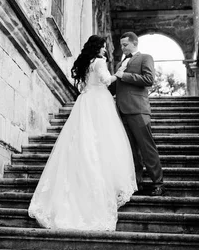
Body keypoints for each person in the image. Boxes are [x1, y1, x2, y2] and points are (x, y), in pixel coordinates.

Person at [28, 34, 137, 231]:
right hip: (99, 102)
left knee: (82, 141)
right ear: (98, 47)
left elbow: (86, 83)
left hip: (85, 101)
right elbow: (105, 80)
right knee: (102, 140)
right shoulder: (100, 61)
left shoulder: (85, 61)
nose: (105, 50)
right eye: (104, 46)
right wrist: (119, 72)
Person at [114, 31, 165, 196]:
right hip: (121, 111)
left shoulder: (145, 58)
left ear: (135, 43)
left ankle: (158, 183)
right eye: (121, 45)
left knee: (146, 148)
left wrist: (125, 75)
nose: (122, 48)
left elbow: (149, 80)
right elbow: (116, 86)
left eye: (125, 45)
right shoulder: (121, 63)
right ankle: (138, 183)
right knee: (131, 150)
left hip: (138, 109)